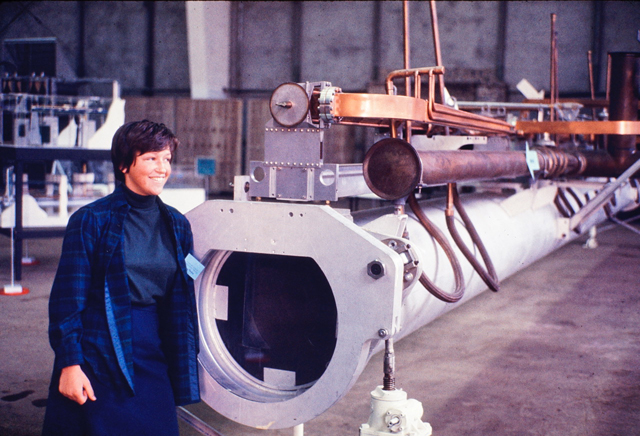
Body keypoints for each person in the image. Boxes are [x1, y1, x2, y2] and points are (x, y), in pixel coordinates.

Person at [42, 120, 200, 436]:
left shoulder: (177, 225)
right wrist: (70, 365)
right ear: (125, 164)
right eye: (151, 158)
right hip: (100, 349)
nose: (162, 168)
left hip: (154, 349)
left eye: (166, 158)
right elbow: (67, 302)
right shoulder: (91, 220)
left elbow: (184, 289)